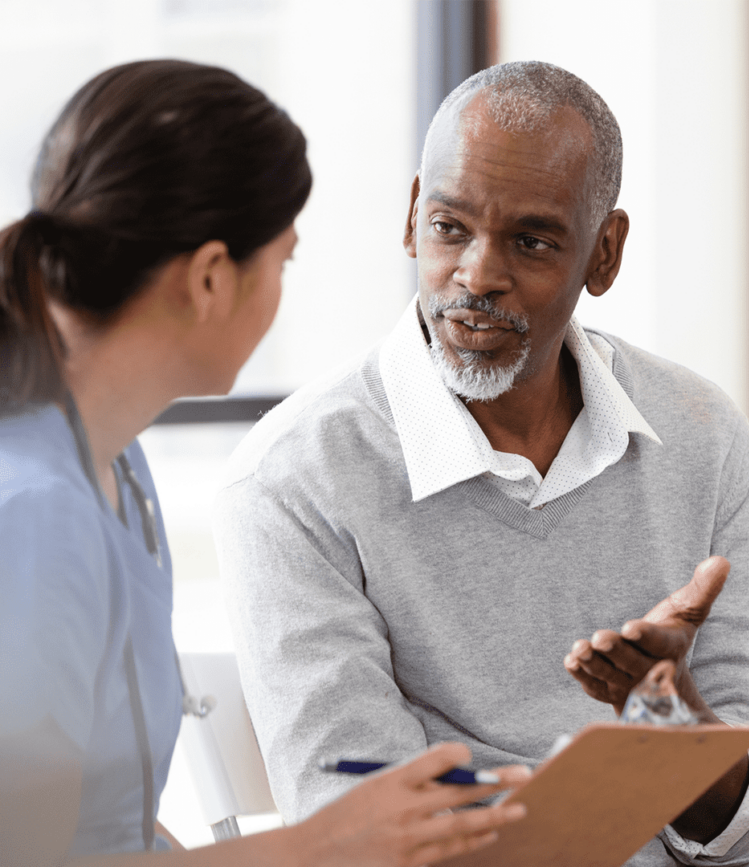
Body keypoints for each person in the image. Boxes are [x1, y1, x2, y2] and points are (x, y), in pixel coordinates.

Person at [214, 60, 749, 867]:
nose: (478, 275)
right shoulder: (294, 478)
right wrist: (632, 782)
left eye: (530, 240)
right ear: (413, 215)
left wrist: (677, 730)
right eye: (450, 227)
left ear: (605, 253)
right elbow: (358, 821)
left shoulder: (698, 434)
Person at [0, 59, 530, 867]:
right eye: (282, 260)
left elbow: (104, 830)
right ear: (212, 276)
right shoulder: (36, 516)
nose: (282, 288)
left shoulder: (118, 472)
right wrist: (316, 849)